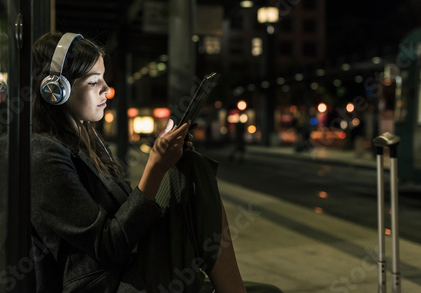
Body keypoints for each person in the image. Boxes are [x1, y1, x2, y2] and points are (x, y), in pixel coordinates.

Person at [30, 31, 282, 293]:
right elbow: (108, 247)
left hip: (127, 267)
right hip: (106, 284)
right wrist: (155, 166)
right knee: (186, 171)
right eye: (94, 82)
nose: (107, 89)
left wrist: (167, 163)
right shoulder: (44, 156)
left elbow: (128, 212)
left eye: (104, 78)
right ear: (56, 90)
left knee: (187, 168)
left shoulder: (87, 140)